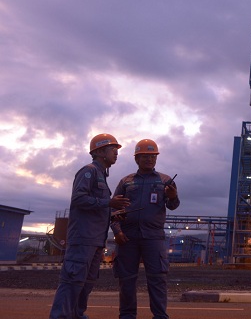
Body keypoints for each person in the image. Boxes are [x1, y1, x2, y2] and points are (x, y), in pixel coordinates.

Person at [49, 133, 131, 319]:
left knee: (86, 282)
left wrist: (114, 213)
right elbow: (79, 199)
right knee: (72, 280)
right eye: (113, 149)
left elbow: (97, 207)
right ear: (100, 152)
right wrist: (108, 203)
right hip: (83, 238)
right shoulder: (89, 171)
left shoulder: (101, 175)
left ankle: (76, 314)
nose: (116, 153)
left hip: (96, 240)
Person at [111, 138, 180, 319]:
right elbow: (113, 209)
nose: (150, 159)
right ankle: (127, 316)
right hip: (127, 237)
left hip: (153, 237)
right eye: (145, 156)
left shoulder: (165, 181)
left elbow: (173, 206)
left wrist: (173, 196)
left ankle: (160, 316)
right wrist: (117, 231)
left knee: (157, 279)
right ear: (137, 158)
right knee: (126, 280)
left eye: (153, 156)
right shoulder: (126, 182)